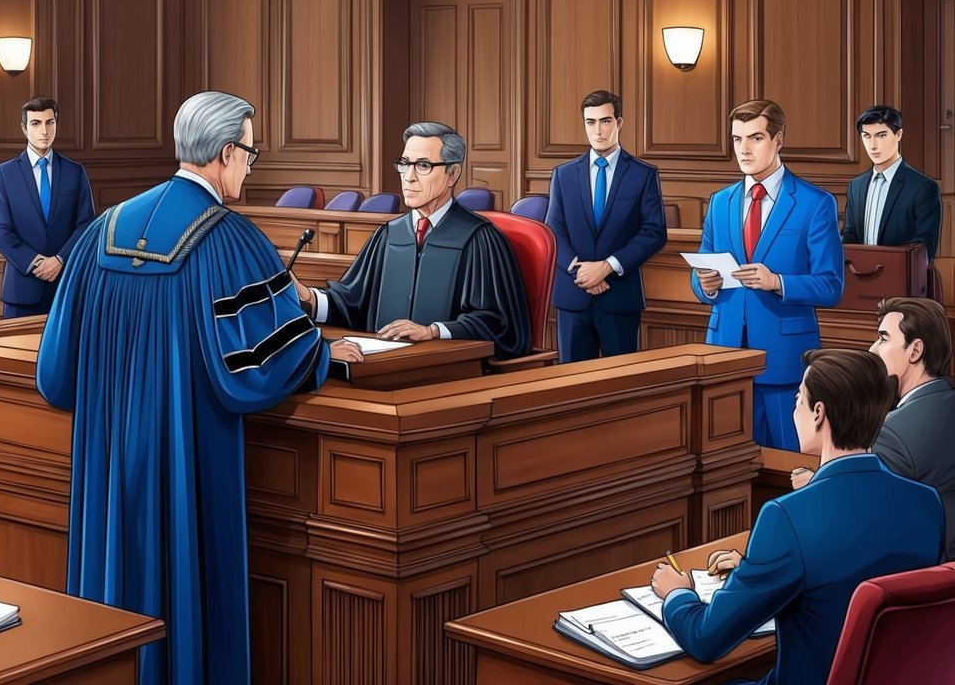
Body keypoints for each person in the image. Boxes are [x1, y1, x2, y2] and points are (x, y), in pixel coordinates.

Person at [36, 91, 363, 685]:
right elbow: (261, 362)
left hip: (108, 453)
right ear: (224, 153)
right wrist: (321, 352)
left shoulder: (102, 230)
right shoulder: (228, 241)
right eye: (249, 153)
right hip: (187, 449)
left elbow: (55, 374)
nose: (248, 166)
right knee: (184, 572)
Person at [651, 348, 943, 685]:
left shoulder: (786, 517)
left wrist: (678, 594)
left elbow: (706, 639)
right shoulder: (926, 503)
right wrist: (755, 565)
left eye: (798, 399)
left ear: (819, 413)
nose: (794, 410)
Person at [292, 121, 532, 359]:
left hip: (451, 371)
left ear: (453, 174)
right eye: (405, 164)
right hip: (382, 364)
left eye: (423, 165)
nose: (409, 177)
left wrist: (433, 331)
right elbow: (352, 302)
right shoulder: (390, 235)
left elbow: (501, 325)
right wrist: (308, 297)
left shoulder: (480, 239)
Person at [692, 99, 843, 450]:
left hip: (785, 362)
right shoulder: (719, 202)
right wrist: (706, 285)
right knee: (725, 467)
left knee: (790, 465)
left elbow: (832, 285)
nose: (743, 149)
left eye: (755, 138)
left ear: (778, 141)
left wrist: (777, 282)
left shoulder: (814, 203)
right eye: (737, 139)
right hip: (724, 357)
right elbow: (700, 273)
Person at [792, 296, 955, 559]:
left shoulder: (893, 432)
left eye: (883, 338)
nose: (873, 349)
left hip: (920, 572)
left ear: (915, 351)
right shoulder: (946, 399)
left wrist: (821, 486)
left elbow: (862, 516)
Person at [546, 90, 667, 362]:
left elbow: (654, 232)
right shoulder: (563, 174)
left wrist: (607, 266)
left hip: (620, 296)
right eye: (591, 122)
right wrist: (581, 272)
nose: (598, 130)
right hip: (572, 296)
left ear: (619, 123)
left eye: (605, 121)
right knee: (571, 386)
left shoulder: (643, 174)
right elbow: (553, 228)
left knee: (620, 385)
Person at [0, 96, 95, 318]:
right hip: (21, 290)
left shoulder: (74, 172)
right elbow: (1, 232)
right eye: (36, 124)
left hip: (66, 286)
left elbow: (86, 225)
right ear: (24, 129)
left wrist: (60, 260)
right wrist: (36, 263)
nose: (44, 131)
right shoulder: (4, 174)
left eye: (50, 122)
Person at [840, 105, 940, 261]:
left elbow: (923, 247)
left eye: (881, 135)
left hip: (900, 279)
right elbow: (849, 237)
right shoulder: (856, 186)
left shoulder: (923, 187)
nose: (873, 145)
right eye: (866, 136)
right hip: (858, 277)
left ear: (898, 134)